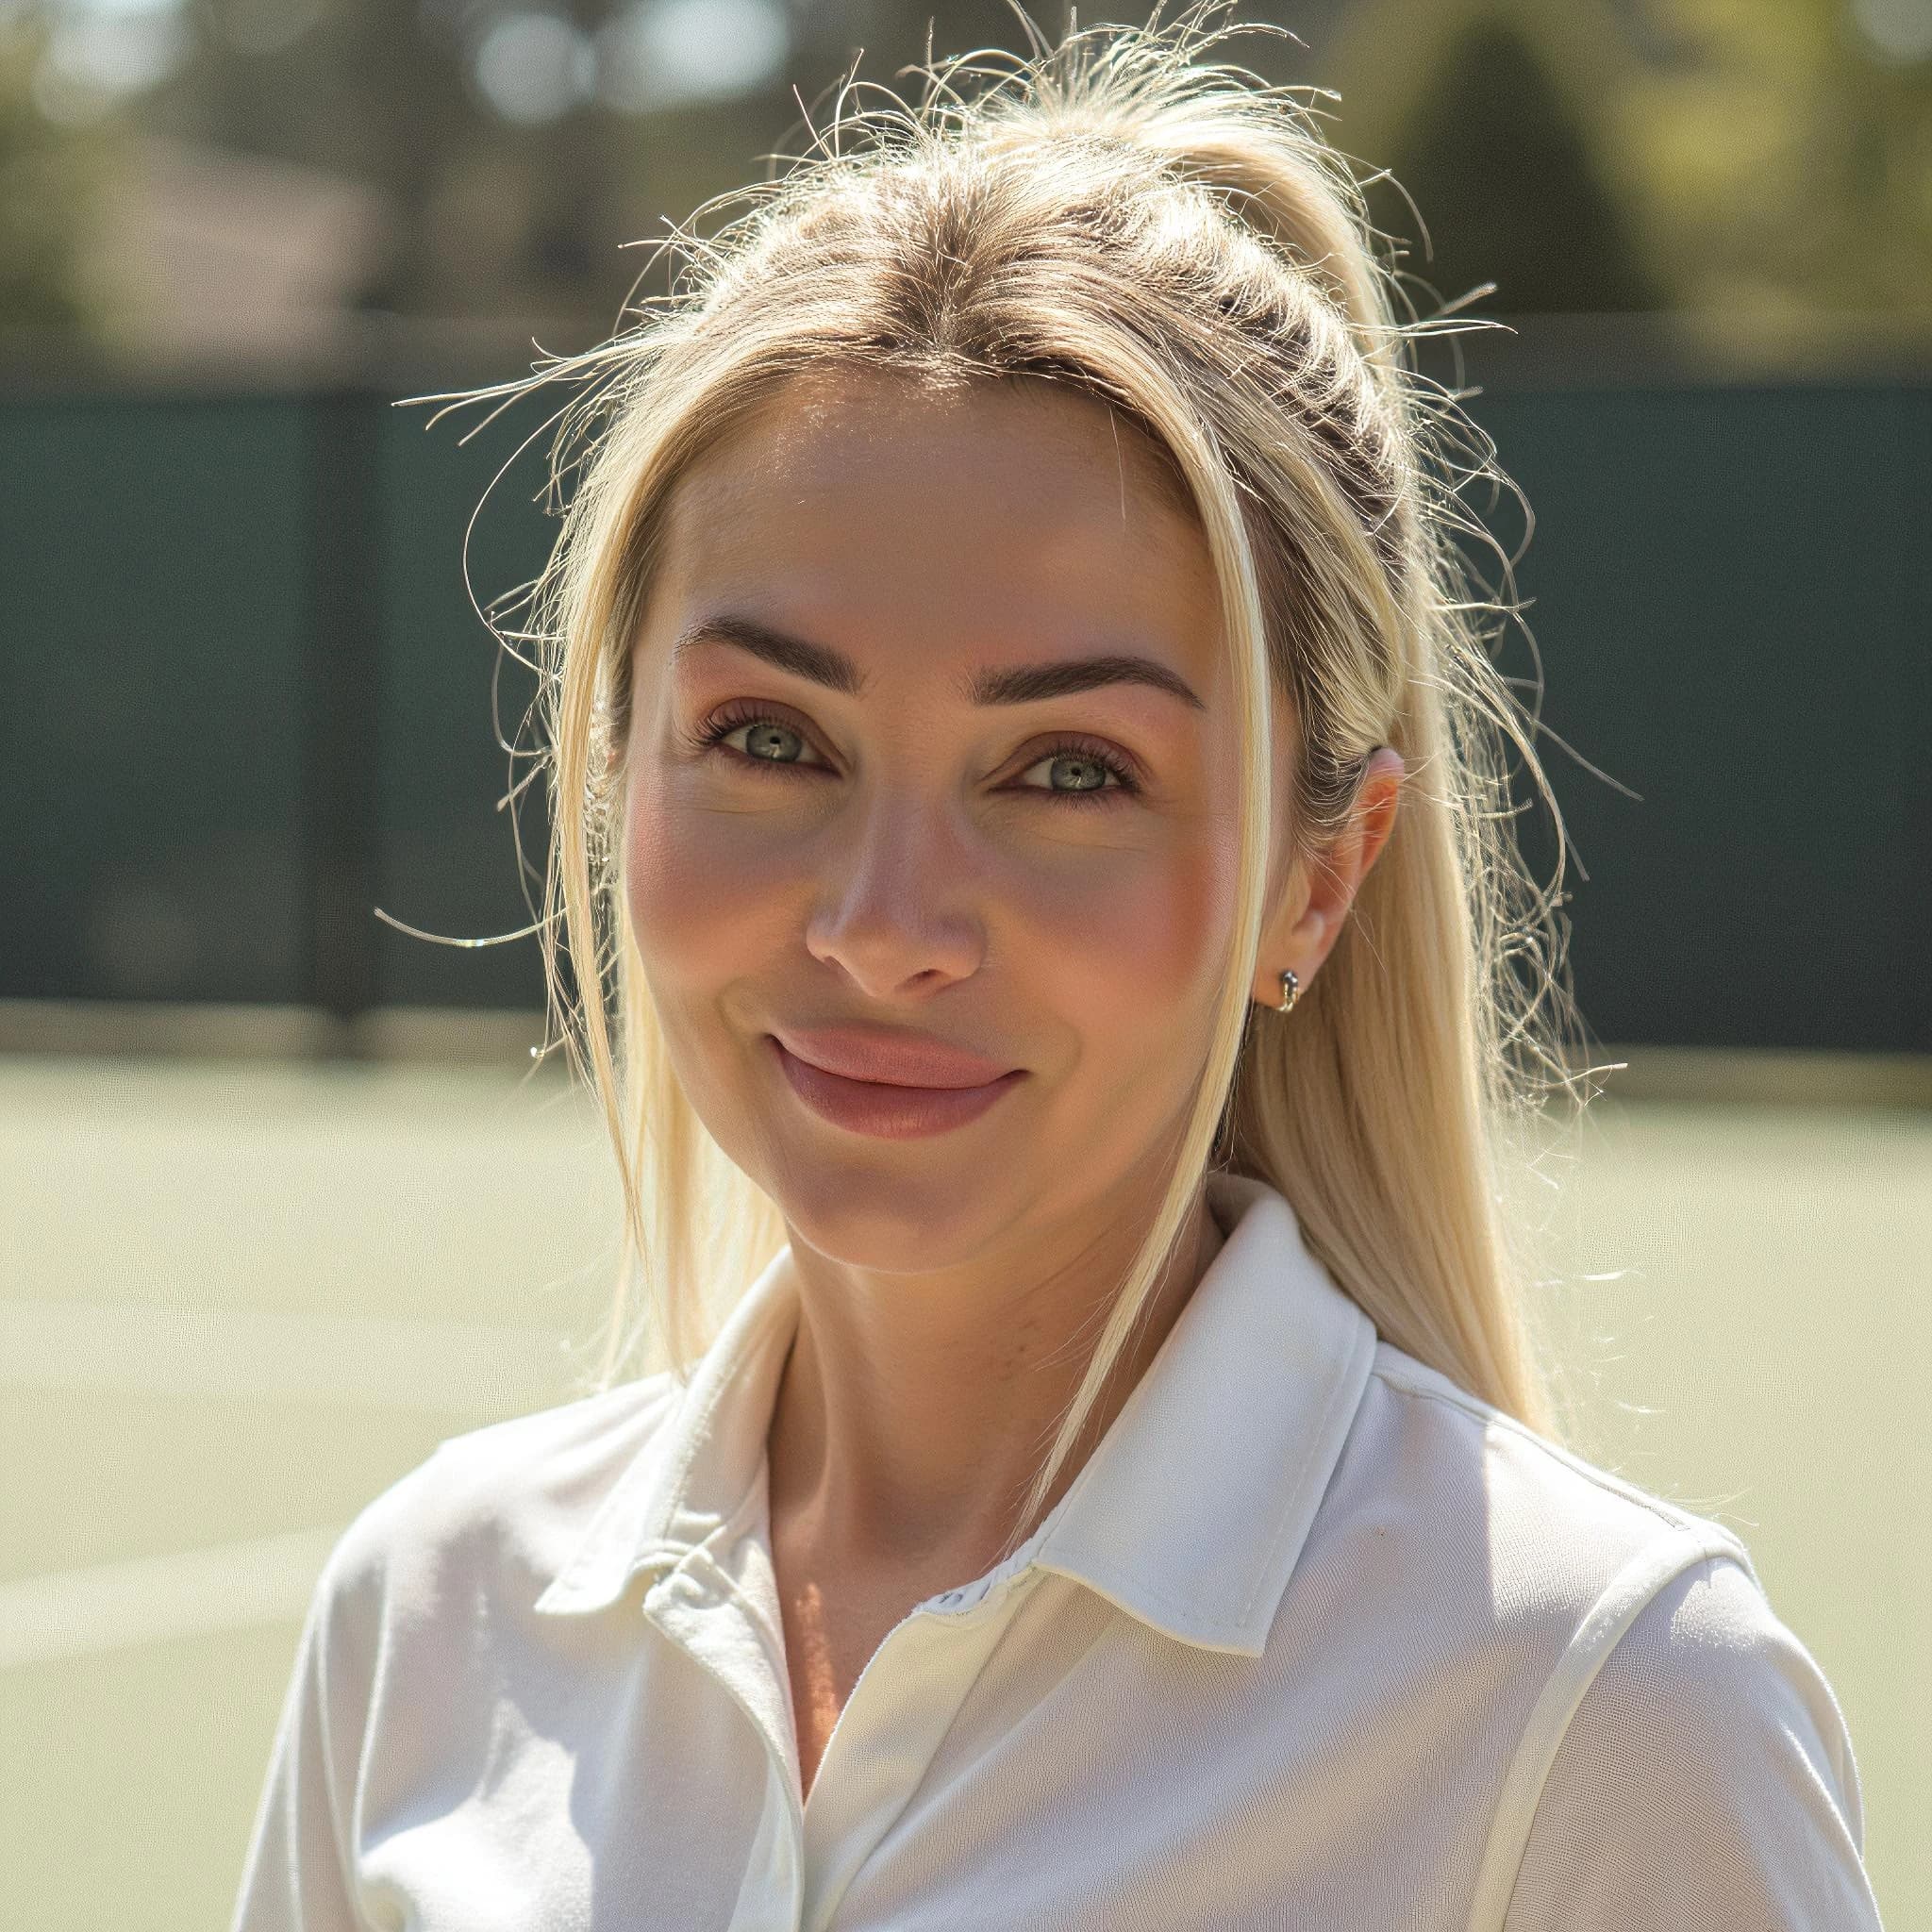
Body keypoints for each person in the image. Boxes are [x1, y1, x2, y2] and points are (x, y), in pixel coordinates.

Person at [232, 7, 1883, 1926]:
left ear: (1317, 881)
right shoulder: (430, 1614)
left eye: (1071, 771)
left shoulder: (1598, 1707)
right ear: (613, 767)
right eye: (770, 737)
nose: (880, 923)